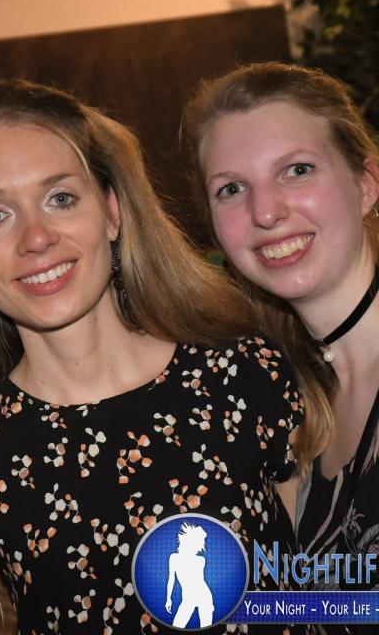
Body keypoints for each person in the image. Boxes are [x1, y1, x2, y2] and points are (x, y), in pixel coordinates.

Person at [0, 79, 306, 634]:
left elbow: (331, 597)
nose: (36, 238)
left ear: (111, 212)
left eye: (60, 199)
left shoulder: (244, 376)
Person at [183, 61, 379, 632]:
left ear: (366, 183)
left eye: (297, 170)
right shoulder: (293, 402)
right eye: (231, 189)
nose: (265, 212)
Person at [165, 523, 214, 628]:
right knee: (177, 626)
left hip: (204, 597)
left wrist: (210, 604)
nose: (201, 546)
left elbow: (200, 581)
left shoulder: (201, 560)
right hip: (188, 599)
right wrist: (168, 598)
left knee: (206, 628)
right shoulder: (174, 558)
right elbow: (171, 579)